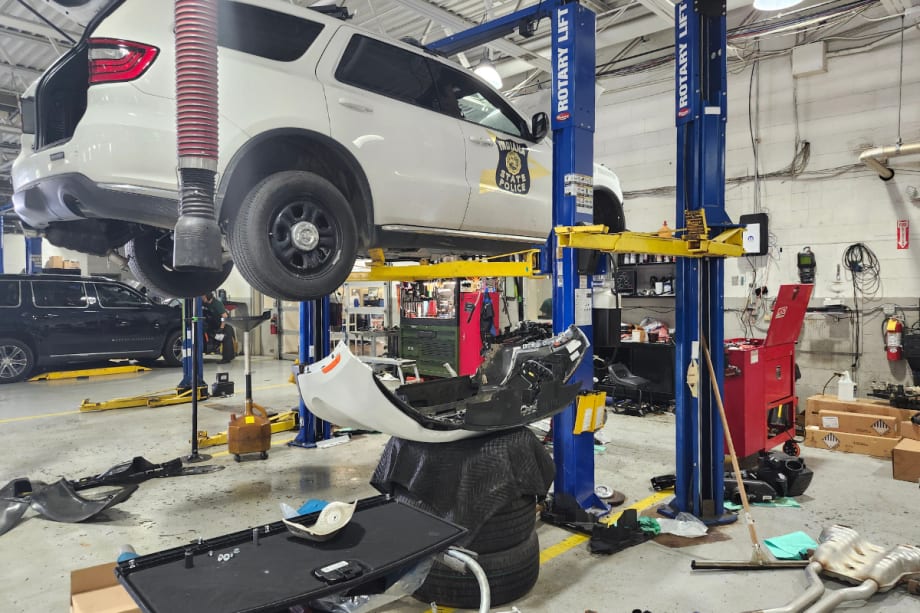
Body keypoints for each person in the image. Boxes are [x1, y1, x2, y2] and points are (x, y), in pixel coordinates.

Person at [202, 292, 236, 363]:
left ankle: (226, 359)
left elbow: (225, 317)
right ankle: (231, 356)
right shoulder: (206, 303)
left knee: (226, 339)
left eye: (203, 297)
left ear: (208, 297)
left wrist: (221, 328)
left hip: (226, 323)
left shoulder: (217, 304)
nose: (202, 298)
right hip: (218, 323)